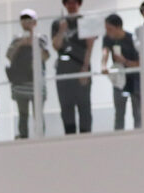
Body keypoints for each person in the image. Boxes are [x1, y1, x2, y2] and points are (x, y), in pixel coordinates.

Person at [52, 0, 95, 135]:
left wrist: (85, 68)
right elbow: (56, 46)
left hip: (81, 67)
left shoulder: (85, 21)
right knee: (66, 106)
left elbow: (90, 46)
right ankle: (69, 135)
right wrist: (61, 30)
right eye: (69, 3)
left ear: (79, 4)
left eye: (74, 2)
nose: (71, 6)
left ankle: (86, 135)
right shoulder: (57, 23)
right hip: (63, 70)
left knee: (84, 105)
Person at [7, 8, 50, 138]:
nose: (26, 22)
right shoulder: (16, 39)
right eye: (24, 20)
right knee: (23, 115)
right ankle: (23, 138)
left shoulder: (41, 38)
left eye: (29, 20)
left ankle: (40, 139)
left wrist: (33, 43)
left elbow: (46, 57)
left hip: (37, 84)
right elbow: (9, 56)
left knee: (38, 115)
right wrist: (20, 44)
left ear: (35, 22)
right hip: (20, 84)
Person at [101, 14, 142, 130]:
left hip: (134, 79)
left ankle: (140, 136)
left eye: (110, 29)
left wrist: (124, 61)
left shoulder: (132, 39)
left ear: (118, 27)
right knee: (119, 113)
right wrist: (103, 65)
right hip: (119, 80)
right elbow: (105, 52)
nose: (108, 32)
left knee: (137, 113)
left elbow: (140, 63)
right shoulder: (107, 38)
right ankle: (118, 137)